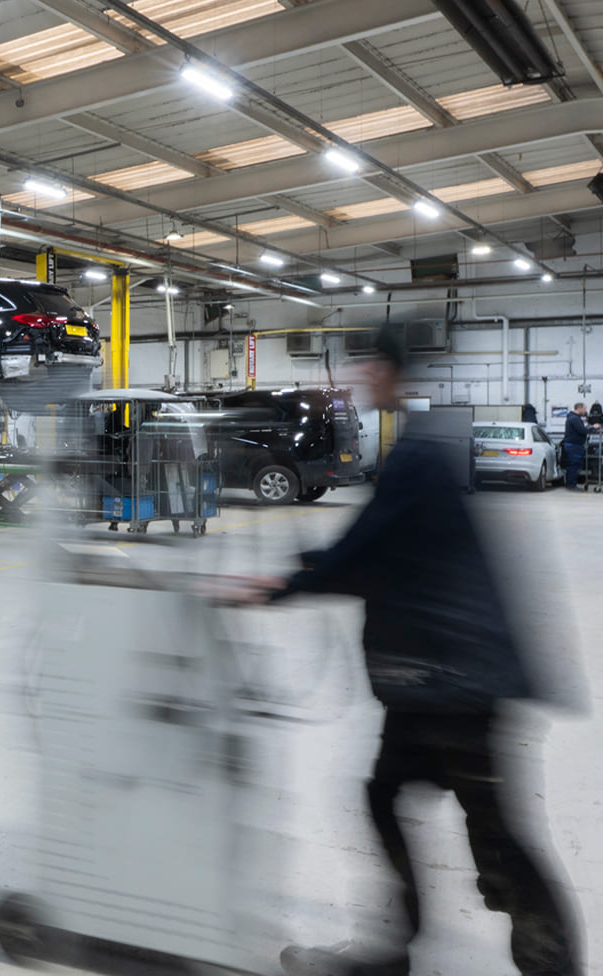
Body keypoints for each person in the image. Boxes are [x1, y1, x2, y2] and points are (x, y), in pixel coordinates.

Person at [240, 324, 582, 976]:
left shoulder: (418, 457)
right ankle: (399, 950)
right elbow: (378, 550)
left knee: (492, 831)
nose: (359, 378)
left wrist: (281, 585)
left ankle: (548, 961)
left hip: (452, 680)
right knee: (390, 795)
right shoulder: (418, 453)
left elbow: (365, 554)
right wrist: (296, 575)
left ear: (393, 374)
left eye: (368, 366)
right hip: (434, 677)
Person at [565, 402, 589, 490]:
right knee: (574, 465)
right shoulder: (574, 419)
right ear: (579, 408)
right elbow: (582, 430)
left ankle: (571, 483)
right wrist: (592, 428)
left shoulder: (574, 418)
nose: (585, 411)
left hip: (574, 445)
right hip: (574, 446)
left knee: (574, 465)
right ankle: (571, 485)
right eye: (584, 408)